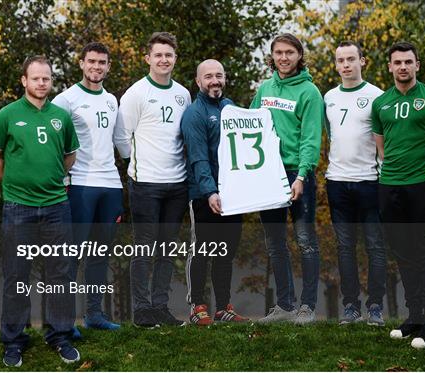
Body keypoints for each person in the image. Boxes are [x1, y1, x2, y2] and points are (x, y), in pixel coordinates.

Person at [0, 56, 80, 366]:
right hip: (18, 208)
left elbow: (69, 156)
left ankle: (60, 336)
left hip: (56, 207)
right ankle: (14, 341)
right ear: (24, 81)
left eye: (46, 78)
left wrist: (49, 182)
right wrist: (15, 185)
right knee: (17, 275)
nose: (42, 83)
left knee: (60, 274)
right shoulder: (7, 116)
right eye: (36, 78)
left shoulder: (60, 117)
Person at [371, 41, 425, 348]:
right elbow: (381, 146)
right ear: (390, 67)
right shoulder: (381, 103)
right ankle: (413, 315)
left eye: (408, 62)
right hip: (389, 185)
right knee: (402, 254)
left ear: (417, 65)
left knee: (424, 253)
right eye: (397, 62)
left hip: (423, 185)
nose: (403, 67)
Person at [114, 32, 190, 327]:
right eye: (158, 55)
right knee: (143, 247)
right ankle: (142, 311)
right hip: (145, 184)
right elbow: (122, 136)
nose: (163, 60)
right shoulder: (136, 93)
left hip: (177, 183)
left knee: (167, 249)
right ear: (148, 58)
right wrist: (134, 164)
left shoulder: (183, 94)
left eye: (168, 55)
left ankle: (160, 307)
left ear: (175, 59)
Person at [251, 33, 324, 324]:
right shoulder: (265, 88)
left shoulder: (310, 92)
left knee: (305, 240)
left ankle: (307, 307)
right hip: (268, 173)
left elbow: (310, 138)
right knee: (275, 243)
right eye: (279, 52)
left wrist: (303, 175)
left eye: (289, 52)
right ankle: (284, 306)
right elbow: (251, 126)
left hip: (297, 174)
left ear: (299, 56)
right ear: (272, 56)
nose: (283, 58)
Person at [52, 42, 122, 333]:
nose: (96, 67)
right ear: (81, 63)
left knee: (99, 254)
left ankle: (94, 314)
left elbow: (118, 141)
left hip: (111, 185)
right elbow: (54, 146)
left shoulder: (112, 100)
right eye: (91, 61)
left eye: (102, 62)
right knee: (70, 255)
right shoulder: (65, 100)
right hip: (79, 184)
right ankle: (64, 320)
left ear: (108, 66)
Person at [181, 59, 248, 326]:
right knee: (202, 251)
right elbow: (198, 158)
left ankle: (223, 308)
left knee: (226, 253)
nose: (214, 81)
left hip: (233, 195)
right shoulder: (194, 113)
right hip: (204, 195)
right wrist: (210, 192)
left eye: (219, 75)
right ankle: (197, 306)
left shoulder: (231, 107)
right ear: (198, 82)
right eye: (208, 76)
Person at [324, 41, 386, 326]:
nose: (346, 65)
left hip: (369, 182)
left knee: (374, 246)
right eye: (340, 60)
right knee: (345, 246)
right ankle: (351, 306)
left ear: (363, 61)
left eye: (351, 59)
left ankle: (375, 306)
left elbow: (383, 142)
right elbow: (330, 136)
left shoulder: (377, 96)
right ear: (335, 64)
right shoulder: (329, 97)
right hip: (337, 182)